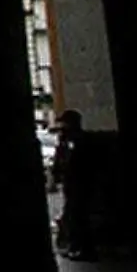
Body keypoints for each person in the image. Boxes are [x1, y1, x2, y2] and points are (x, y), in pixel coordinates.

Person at [51, 110, 96, 260]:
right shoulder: (69, 139)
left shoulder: (76, 140)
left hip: (78, 183)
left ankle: (82, 247)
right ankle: (75, 245)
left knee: (78, 216)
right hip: (73, 183)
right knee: (74, 215)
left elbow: (70, 161)